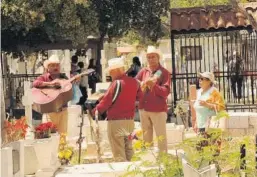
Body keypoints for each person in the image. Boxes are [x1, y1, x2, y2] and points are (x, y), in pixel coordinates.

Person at [92, 57, 142, 162]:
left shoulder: (117, 83)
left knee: (118, 151)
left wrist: (96, 110)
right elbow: (139, 98)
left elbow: (107, 100)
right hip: (129, 120)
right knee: (129, 149)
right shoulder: (134, 82)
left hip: (116, 121)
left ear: (115, 70)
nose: (110, 74)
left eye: (111, 71)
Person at [136, 46, 171, 153]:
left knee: (161, 137)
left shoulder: (163, 72)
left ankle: (163, 160)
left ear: (158, 58)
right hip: (144, 108)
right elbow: (135, 82)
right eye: (149, 57)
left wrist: (154, 86)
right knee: (146, 137)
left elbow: (165, 91)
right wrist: (140, 84)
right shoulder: (143, 71)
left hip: (158, 110)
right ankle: (149, 159)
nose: (151, 59)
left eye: (153, 57)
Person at [33, 55, 80, 134]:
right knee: (48, 136)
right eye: (53, 65)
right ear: (48, 68)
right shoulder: (44, 77)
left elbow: (70, 91)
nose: (56, 67)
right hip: (49, 112)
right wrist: (51, 85)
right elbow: (35, 83)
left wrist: (76, 80)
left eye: (57, 65)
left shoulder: (64, 77)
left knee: (63, 137)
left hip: (63, 112)